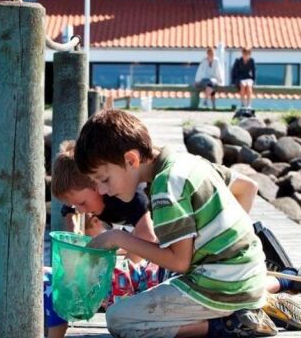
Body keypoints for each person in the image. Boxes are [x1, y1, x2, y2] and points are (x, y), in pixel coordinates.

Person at [74, 109, 277, 338]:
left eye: (104, 180)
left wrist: (117, 238)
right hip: (251, 274)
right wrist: (224, 238)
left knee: (118, 318)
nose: (102, 191)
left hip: (220, 287)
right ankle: (245, 307)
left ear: (131, 160)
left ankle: (229, 324)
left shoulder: (165, 185)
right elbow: (248, 187)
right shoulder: (189, 161)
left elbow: (179, 262)